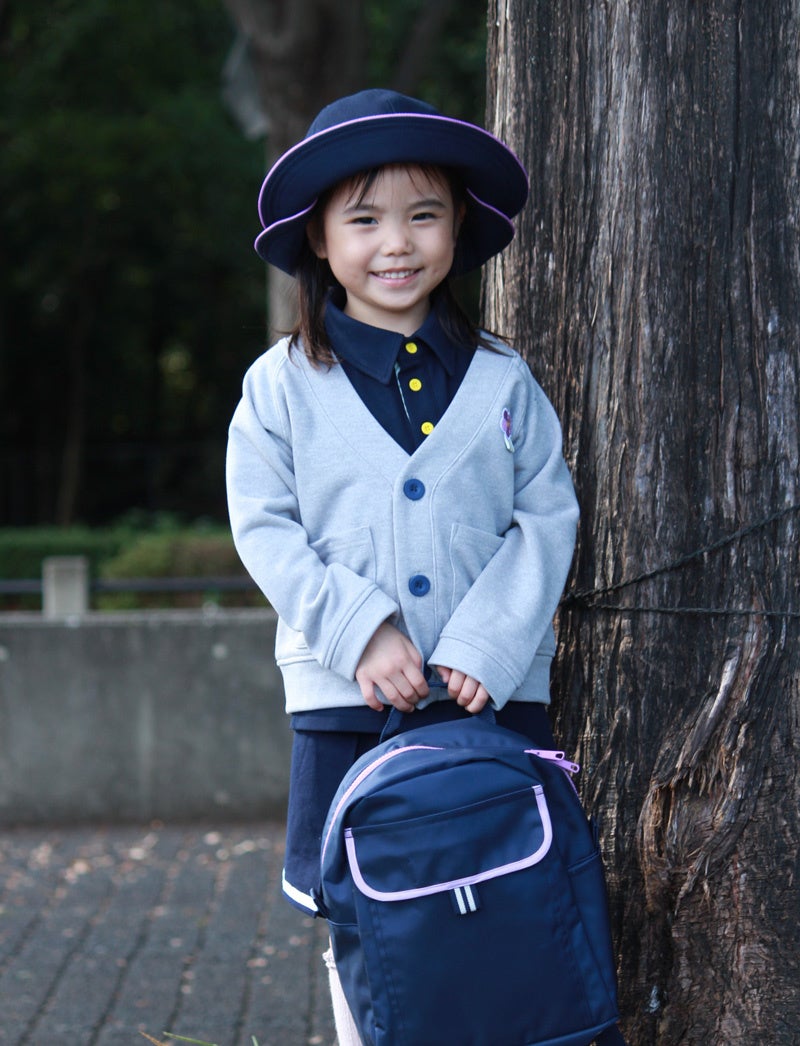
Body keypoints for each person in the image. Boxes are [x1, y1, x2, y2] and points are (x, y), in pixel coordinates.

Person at [226, 88, 580, 1044]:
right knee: (364, 909)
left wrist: (490, 643)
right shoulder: (279, 388)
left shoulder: (504, 381)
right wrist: (359, 631)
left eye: (424, 215)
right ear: (318, 237)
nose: (396, 243)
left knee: (501, 889)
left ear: (457, 227)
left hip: (488, 700)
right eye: (364, 219)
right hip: (349, 702)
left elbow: (546, 517)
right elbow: (264, 527)